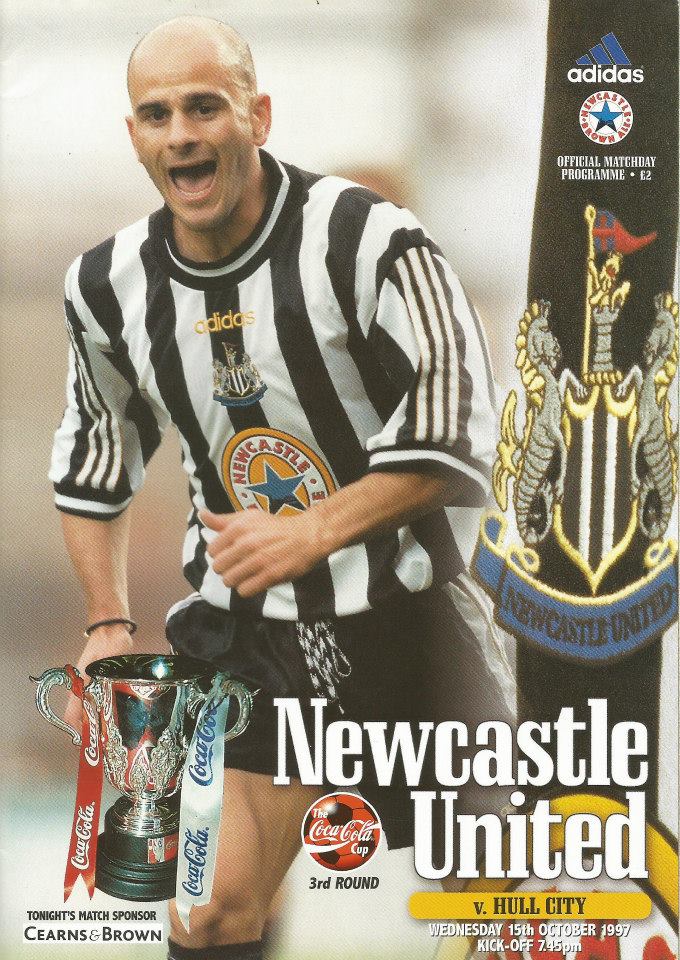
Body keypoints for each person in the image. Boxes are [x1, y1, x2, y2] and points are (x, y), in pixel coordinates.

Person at [50, 16, 508, 960]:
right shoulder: (105, 286)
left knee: (491, 895)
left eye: (205, 107)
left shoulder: (370, 239)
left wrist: (318, 529)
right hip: (252, 635)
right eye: (157, 114)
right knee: (209, 909)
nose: (182, 133)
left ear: (257, 116)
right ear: (134, 135)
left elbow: (460, 420)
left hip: (412, 616)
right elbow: (95, 453)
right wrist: (106, 622)